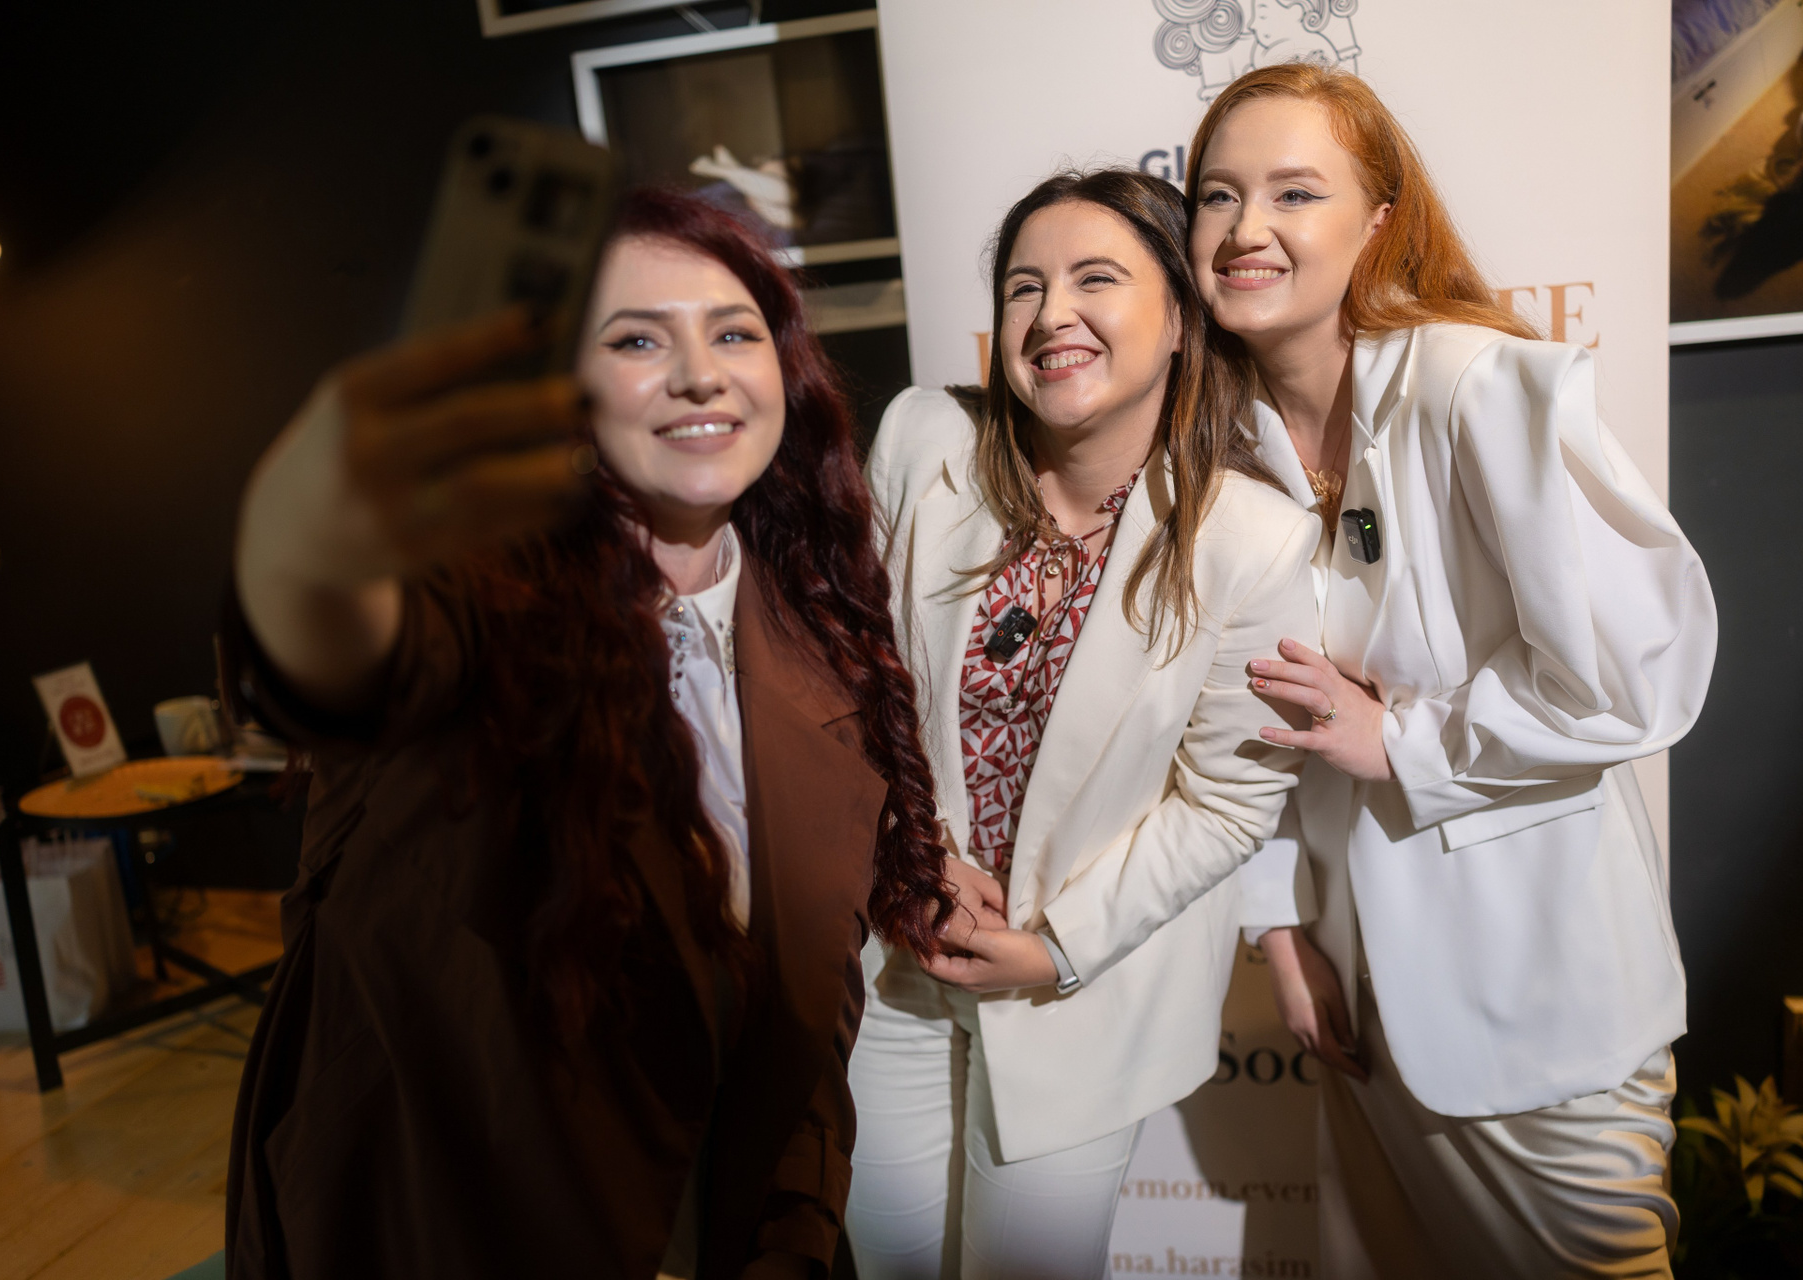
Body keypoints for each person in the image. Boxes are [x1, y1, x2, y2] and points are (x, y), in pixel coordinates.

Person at [221, 187, 954, 1280]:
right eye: (637, 340)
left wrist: (795, 1229)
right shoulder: (474, 605)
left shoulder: (820, 639)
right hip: (443, 1226)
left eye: (734, 334)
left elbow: (807, 1012)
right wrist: (320, 499)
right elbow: (327, 645)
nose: (700, 374)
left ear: (785, 372)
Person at [1189, 64, 1717, 1279]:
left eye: (1294, 192)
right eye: (1218, 194)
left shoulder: (1477, 386)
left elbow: (1640, 672)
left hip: (1542, 1002)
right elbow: (1237, 717)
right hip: (1358, 1002)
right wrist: (1277, 927)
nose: (1247, 227)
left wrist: (1404, 740)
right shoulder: (1222, 448)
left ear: (1379, 220)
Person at [844, 169, 1322, 1279]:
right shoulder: (923, 439)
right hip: (895, 956)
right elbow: (847, 677)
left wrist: (1052, 949)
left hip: (1083, 989)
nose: (1053, 312)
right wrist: (916, 851)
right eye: (1025, 286)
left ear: (1181, 321)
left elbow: (1227, 804)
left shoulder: (1252, 541)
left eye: (1095, 279)